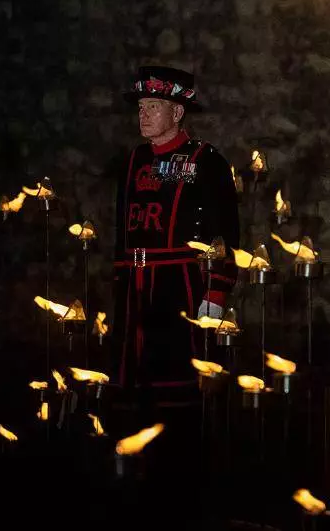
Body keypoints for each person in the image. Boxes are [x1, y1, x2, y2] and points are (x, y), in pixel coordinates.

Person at [112, 65, 239, 409]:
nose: (144, 114)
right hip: (133, 289)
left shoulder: (206, 160)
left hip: (179, 286)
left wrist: (216, 291)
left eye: (153, 106)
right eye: (141, 107)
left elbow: (224, 232)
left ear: (178, 111)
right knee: (132, 386)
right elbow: (120, 229)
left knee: (178, 384)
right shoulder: (134, 160)